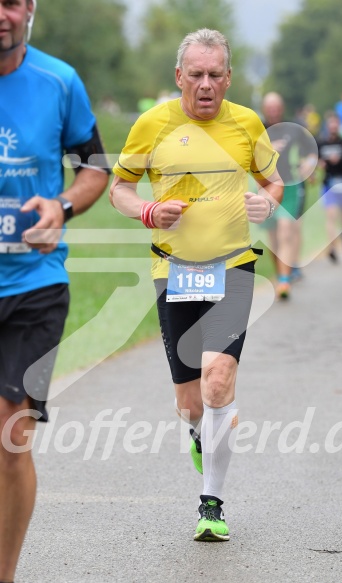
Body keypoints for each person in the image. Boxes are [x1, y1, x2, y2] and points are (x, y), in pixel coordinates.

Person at [110, 29, 283, 542]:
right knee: (190, 402)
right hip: (174, 269)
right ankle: (198, 433)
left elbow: (273, 179)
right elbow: (119, 187)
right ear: (179, 76)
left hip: (232, 266)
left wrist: (268, 201)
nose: (205, 85)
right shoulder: (153, 123)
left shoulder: (247, 124)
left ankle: (212, 504)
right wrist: (146, 210)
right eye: (197, 74)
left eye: (215, 76)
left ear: (228, 79)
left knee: (217, 382)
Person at [0, 1, 109, 581]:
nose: (1, 13)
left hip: (36, 285)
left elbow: (94, 168)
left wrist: (61, 206)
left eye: (11, 0)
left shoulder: (59, 81)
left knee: (8, 433)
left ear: (30, 10)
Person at [260, 92, 316, 299]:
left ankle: (284, 281)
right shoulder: (258, 130)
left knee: (286, 230)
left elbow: (311, 149)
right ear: (265, 109)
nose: (273, 111)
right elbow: (246, 157)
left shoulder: (293, 129)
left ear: (281, 107)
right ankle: (282, 273)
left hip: (289, 185)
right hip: (265, 187)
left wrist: (309, 163)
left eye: (277, 107)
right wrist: (268, 150)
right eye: (270, 107)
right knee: (273, 236)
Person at [317, 112, 342, 262]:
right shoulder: (321, 143)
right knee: (331, 216)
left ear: (339, 125)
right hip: (328, 183)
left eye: (335, 123)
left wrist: (340, 160)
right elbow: (315, 159)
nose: (333, 126)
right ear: (327, 126)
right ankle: (332, 248)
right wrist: (320, 163)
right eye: (330, 123)